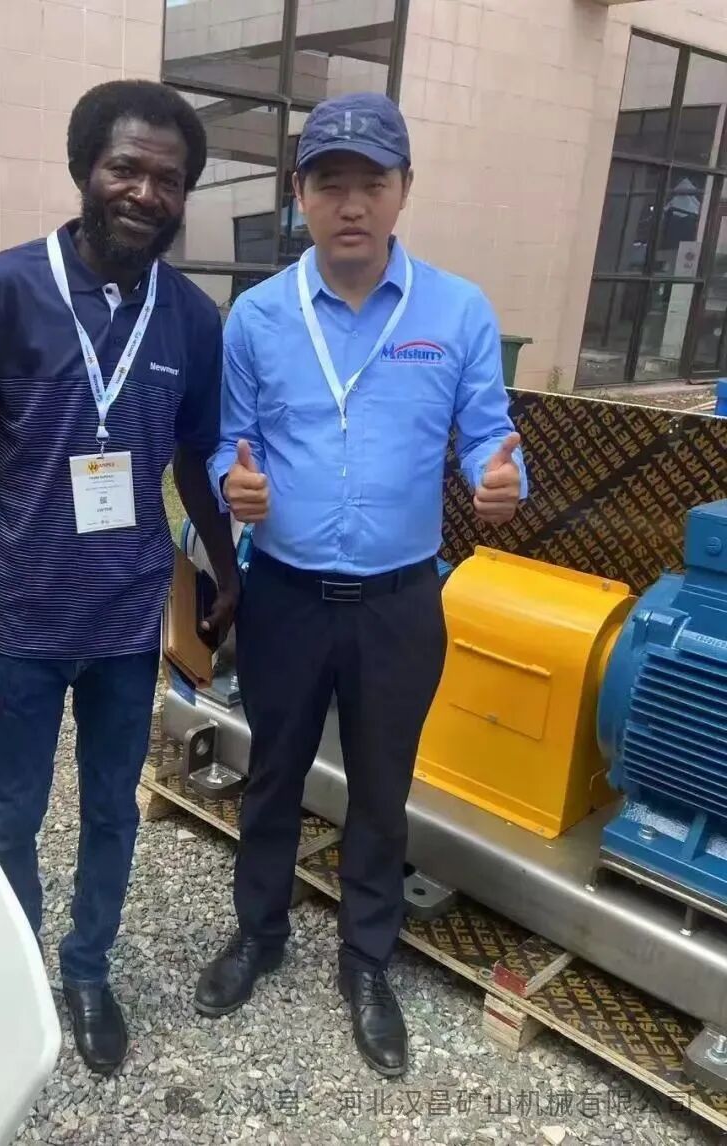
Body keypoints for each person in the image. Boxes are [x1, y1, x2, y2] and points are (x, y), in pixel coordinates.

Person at [194, 92, 528, 1077]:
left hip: (398, 602)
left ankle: (368, 960)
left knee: (383, 787)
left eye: (371, 182)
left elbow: (489, 436)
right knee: (272, 772)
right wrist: (234, 484)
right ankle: (259, 933)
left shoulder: (457, 312)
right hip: (284, 597)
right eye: (329, 182)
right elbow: (228, 441)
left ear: (403, 190)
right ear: (299, 194)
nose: (351, 204)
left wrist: (501, 481)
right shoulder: (258, 317)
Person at [0, 80, 238, 1076]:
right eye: (125, 168)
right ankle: (16, 976)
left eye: (168, 179)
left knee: (112, 811)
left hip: (125, 626)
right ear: (83, 170)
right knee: (12, 814)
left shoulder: (191, 320)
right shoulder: (3, 290)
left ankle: (88, 971)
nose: (146, 192)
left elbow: (193, 457)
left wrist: (227, 565)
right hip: (17, 623)